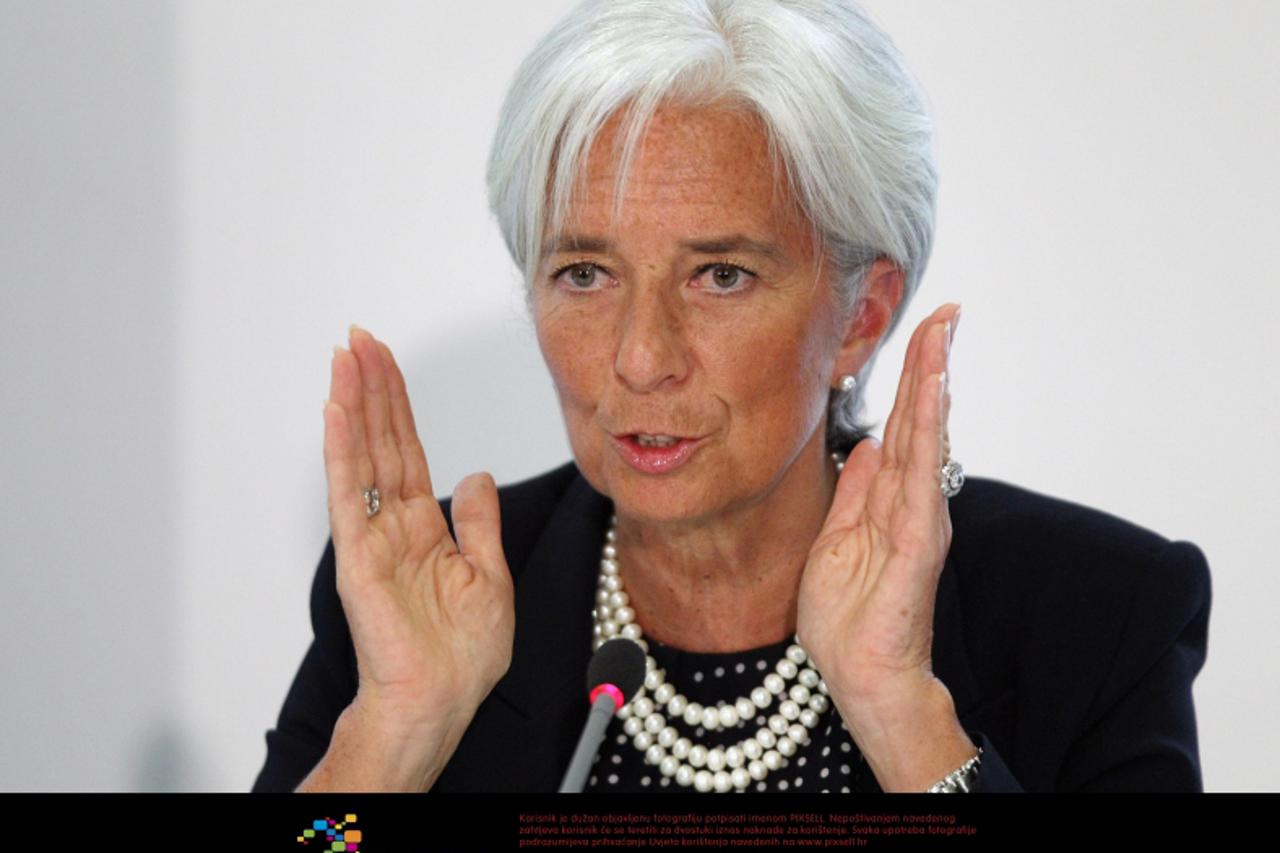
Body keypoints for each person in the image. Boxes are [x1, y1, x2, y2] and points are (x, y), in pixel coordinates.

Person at [253, 0, 1210, 794]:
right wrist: (389, 743)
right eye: (585, 273)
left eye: (720, 276)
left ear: (861, 314)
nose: (640, 356)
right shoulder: (423, 602)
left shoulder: (1093, 613)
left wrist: (902, 715)